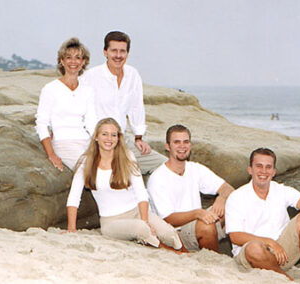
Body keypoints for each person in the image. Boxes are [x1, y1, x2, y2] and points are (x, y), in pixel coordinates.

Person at [66, 118, 182, 251]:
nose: (109, 138)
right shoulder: (86, 162)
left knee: (169, 234)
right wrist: (71, 228)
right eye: (104, 134)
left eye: (113, 135)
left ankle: (183, 253)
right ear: (96, 137)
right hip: (111, 222)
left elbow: (141, 193)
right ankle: (172, 253)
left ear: (118, 138)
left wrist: (145, 220)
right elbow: (74, 198)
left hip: (136, 212)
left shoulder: (127, 157)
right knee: (142, 229)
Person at [225, 148, 300, 281]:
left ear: (274, 172)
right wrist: (269, 243)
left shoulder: (280, 190)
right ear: (250, 170)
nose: (263, 171)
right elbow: (235, 236)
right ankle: (288, 280)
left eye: (268, 167)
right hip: (250, 256)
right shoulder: (237, 197)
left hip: (282, 252)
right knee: (255, 248)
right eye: (259, 166)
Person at [81, 31, 166, 175]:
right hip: (97, 141)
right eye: (114, 51)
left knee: (166, 166)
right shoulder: (90, 77)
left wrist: (138, 137)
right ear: (105, 52)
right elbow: (77, 108)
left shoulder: (132, 75)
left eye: (122, 51)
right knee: (115, 173)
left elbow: (136, 107)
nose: (118, 55)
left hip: (122, 140)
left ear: (127, 53)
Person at [147, 124, 234, 252]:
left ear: (190, 145)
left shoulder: (195, 168)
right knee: (206, 225)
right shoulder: (158, 177)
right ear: (167, 146)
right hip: (176, 232)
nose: (182, 146)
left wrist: (221, 198)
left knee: (233, 203)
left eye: (186, 142)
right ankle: (215, 260)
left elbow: (228, 188)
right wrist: (197, 213)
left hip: (196, 224)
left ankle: (244, 253)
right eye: (177, 142)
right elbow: (168, 219)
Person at [35, 37, 97, 171]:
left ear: (83, 62)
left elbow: (92, 123)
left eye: (78, 57)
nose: (73, 61)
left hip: (86, 142)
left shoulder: (88, 90)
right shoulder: (50, 89)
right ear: (62, 61)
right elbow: (41, 124)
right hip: (63, 143)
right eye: (68, 57)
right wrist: (51, 154)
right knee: (90, 172)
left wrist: (100, 147)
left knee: (113, 168)